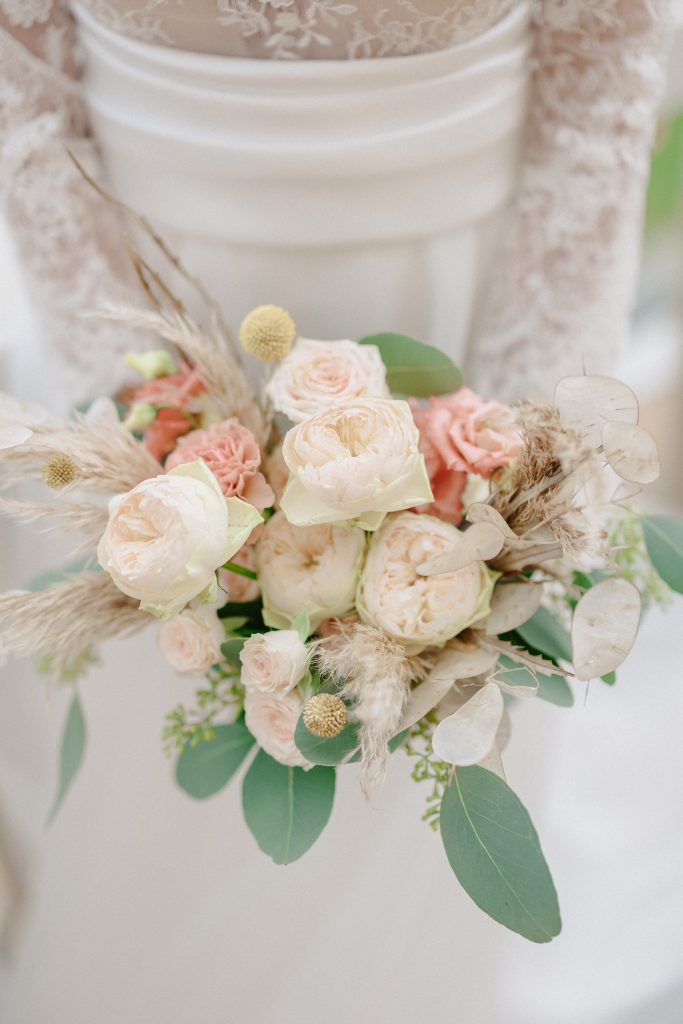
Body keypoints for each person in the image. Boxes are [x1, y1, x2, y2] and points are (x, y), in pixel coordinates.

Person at [0, 3, 674, 1022]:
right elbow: (23, 74)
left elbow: (602, 71)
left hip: (469, 320)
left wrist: (515, 478)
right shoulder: (133, 407)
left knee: (424, 775)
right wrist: (149, 438)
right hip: (136, 312)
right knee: (151, 802)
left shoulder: (501, 452)